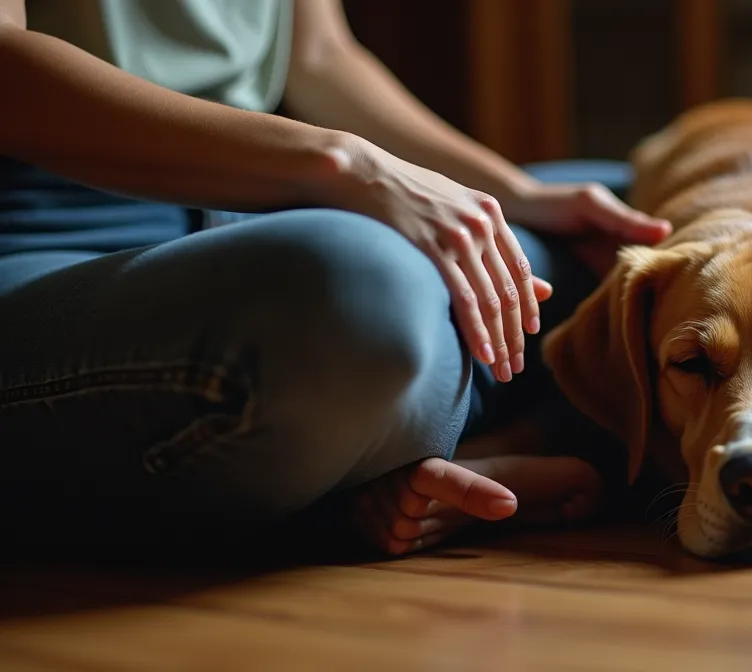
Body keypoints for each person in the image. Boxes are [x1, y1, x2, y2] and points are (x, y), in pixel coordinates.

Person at [0, 0, 669, 556]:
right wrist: (347, 166)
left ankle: (472, 453)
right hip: (57, 237)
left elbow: (321, 58)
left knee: (624, 220)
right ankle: (360, 494)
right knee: (358, 287)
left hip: (257, 206)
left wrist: (510, 192)